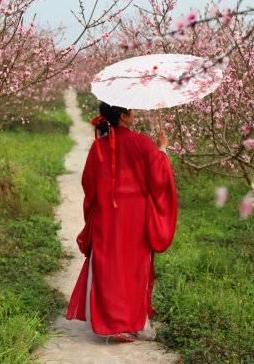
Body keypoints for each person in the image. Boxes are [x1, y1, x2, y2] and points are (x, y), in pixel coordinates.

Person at [65, 101, 178, 343]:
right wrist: (162, 150)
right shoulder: (142, 143)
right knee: (135, 269)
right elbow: (159, 180)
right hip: (136, 217)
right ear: (124, 117)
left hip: (107, 215)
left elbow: (89, 185)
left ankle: (108, 320)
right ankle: (136, 324)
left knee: (108, 267)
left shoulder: (99, 146)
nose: (134, 114)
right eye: (132, 111)